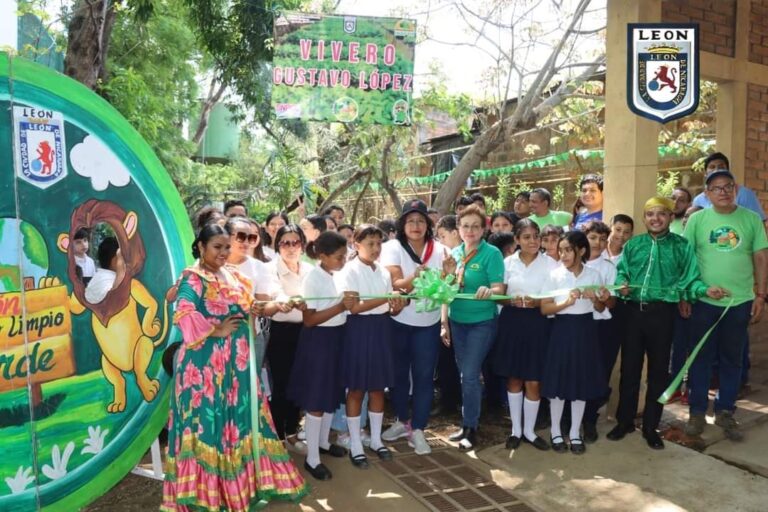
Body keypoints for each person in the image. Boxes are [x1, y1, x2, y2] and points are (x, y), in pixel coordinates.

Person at [162, 223, 307, 511]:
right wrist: (216, 330)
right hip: (204, 369)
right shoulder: (194, 277)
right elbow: (184, 312)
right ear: (201, 247)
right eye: (217, 247)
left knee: (236, 423)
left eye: (226, 247)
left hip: (236, 365)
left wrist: (281, 304)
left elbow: (254, 307)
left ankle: (238, 488)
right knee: (209, 426)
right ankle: (209, 494)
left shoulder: (233, 275)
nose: (223, 252)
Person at [607, 197, 726, 450]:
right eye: (650, 214)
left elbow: (690, 280)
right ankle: (624, 421)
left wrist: (705, 290)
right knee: (629, 370)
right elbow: (622, 272)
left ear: (671, 217)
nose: (656, 219)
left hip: (662, 315)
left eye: (661, 214)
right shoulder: (634, 244)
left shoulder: (681, 246)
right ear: (644, 218)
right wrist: (622, 284)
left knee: (659, 373)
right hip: (633, 315)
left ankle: (651, 427)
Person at [684, 169, 768, 441]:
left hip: (739, 302)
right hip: (703, 302)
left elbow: (761, 257)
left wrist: (761, 295)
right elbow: (686, 259)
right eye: (717, 188)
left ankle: (725, 410)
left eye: (728, 186)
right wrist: (688, 294)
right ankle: (697, 411)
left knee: (732, 359)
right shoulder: (697, 220)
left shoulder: (751, 219)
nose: (723, 192)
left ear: (736, 190)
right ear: (707, 193)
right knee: (701, 358)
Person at [380, 200, 450, 455]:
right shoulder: (392, 247)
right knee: (398, 375)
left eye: (421, 220)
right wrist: (415, 276)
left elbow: (447, 288)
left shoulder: (441, 250)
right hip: (398, 322)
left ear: (428, 224)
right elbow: (396, 284)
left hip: (427, 323)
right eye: (410, 221)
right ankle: (402, 420)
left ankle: (418, 428)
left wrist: (449, 273)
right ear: (402, 224)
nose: (416, 225)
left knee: (424, 377)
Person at [287, 231, 356, 480]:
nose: (343, 261)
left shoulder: (335, 274)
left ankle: (324, 442)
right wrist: (341, 306)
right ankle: (312, 457)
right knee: (317, 397)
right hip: (319, 341)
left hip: (337, 338)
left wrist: (346, 306)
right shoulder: (313, 279)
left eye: (345, 256)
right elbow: (310, 320)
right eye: (339, 257)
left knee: (330, 392)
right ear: (323, 256)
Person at [339, 225, 406, 468]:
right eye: (370, 243)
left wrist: (397, 304)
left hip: (381, 329)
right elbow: (354, 307)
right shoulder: (349, 270)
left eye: (379, 243)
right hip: (357, 330)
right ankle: (356, 443)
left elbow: (389, 308)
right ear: (356, 244)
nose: (376, 248)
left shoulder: (383, 272)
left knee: (378, 388)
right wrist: (386, 298)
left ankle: (376, 440)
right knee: (357, 388)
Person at [442, 205, 505, 451]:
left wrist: (490, 290)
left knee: (469, 374)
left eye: (475, 226)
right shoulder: (454, 253)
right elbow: (446, 290)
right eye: (465, 226)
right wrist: (444, 322)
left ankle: (471, 427)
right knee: (464, 375)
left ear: (483, 229)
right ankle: (467, 423)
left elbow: (500, 288)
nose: (470, 231)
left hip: (482, 322)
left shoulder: (492, 253)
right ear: (458, 228)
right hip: (457, 321)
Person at [540, 231, 609, 455]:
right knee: (558, 384)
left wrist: (596, 298)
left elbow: (601, 307)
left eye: (568, 250)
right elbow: (545, 308)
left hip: (586, 331)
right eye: (561, 251)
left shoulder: (594, 274)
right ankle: (555, 431)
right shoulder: (554, 275)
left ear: (581, 250)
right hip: (561, 330)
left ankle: (575, 432)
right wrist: (567, 303)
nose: (563, 255)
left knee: (581, 383)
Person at [494, 219, 557, 452]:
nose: (533, 241)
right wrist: (510, 300)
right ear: (517, 240)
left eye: (536, 236)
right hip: (512, 322)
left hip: (538, 323)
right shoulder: (507, 262)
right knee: (514, 377)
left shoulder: (550, 264)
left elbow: (556, 296)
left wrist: (537, 302)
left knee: (534, 379)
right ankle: (516, 430)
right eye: (527, 237)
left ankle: (530, 431)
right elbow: (499, 294)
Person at [264, 225, 313, 455]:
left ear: (303, 245)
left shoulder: (310, 269)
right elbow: (275, 293)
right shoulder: (270, 269)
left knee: (300, 383)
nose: (291, 247)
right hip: (281, 333)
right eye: (285, 243)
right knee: (281, 385)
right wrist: (286, 300)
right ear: (278, 245)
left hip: (306, 331)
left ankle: (292, 431)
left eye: (296, 242)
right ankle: (278, 437)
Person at [581, 221, 618, 443]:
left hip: (600, 326)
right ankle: (568, 418)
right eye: (593, 237)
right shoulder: (572, 262)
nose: (598, 243)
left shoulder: (608, 268)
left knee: (597, 373)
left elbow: (612, 303)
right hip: (575, 324)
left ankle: (589, 418)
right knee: (577, 371)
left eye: (603, 239)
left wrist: (604, 298)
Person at [226, 217, 274, 368]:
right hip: (216, 335)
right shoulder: (211, 264)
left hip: (250, 336)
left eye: (251, 237)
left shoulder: (259, 267)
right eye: (241, 236)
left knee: (250, 381)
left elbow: (264, 305)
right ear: (226, 236)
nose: (246, 242)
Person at [433, 214, 463, 416]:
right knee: (446, 361)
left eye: (443, 236)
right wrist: (443, 320)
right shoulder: (445, 256)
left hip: (467, 316)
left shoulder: (463, 255)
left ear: (455, 233)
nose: (441, 241)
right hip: (448, 314)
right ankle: (449, 401)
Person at [692, 152, 768, 228]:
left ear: (728, 171)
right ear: (705, 173)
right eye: (712, 167)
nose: (717, 170)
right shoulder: (698, 200)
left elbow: (760, 224)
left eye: (721, 167)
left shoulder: (745, 194)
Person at [85, 237, 124, 304]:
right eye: (124, 258)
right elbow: (114, 297)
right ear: (115, 260)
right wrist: (121, 267)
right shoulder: (107, 279)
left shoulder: (100, 276)